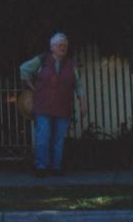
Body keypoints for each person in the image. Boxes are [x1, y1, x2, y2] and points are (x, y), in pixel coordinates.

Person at [20, 32, 87, 177]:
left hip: (62, 106)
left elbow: (78, 84)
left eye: (65, 45)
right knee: (43, 137)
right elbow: (24, 69)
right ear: (52, 47)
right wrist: (32, 87)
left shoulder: (70, 64)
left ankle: (56, 167)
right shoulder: (42, 60)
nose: (63, 48)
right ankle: (41, 167)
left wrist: (82, 103)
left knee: (58, 139)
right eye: (60, 45)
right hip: (43, 106)